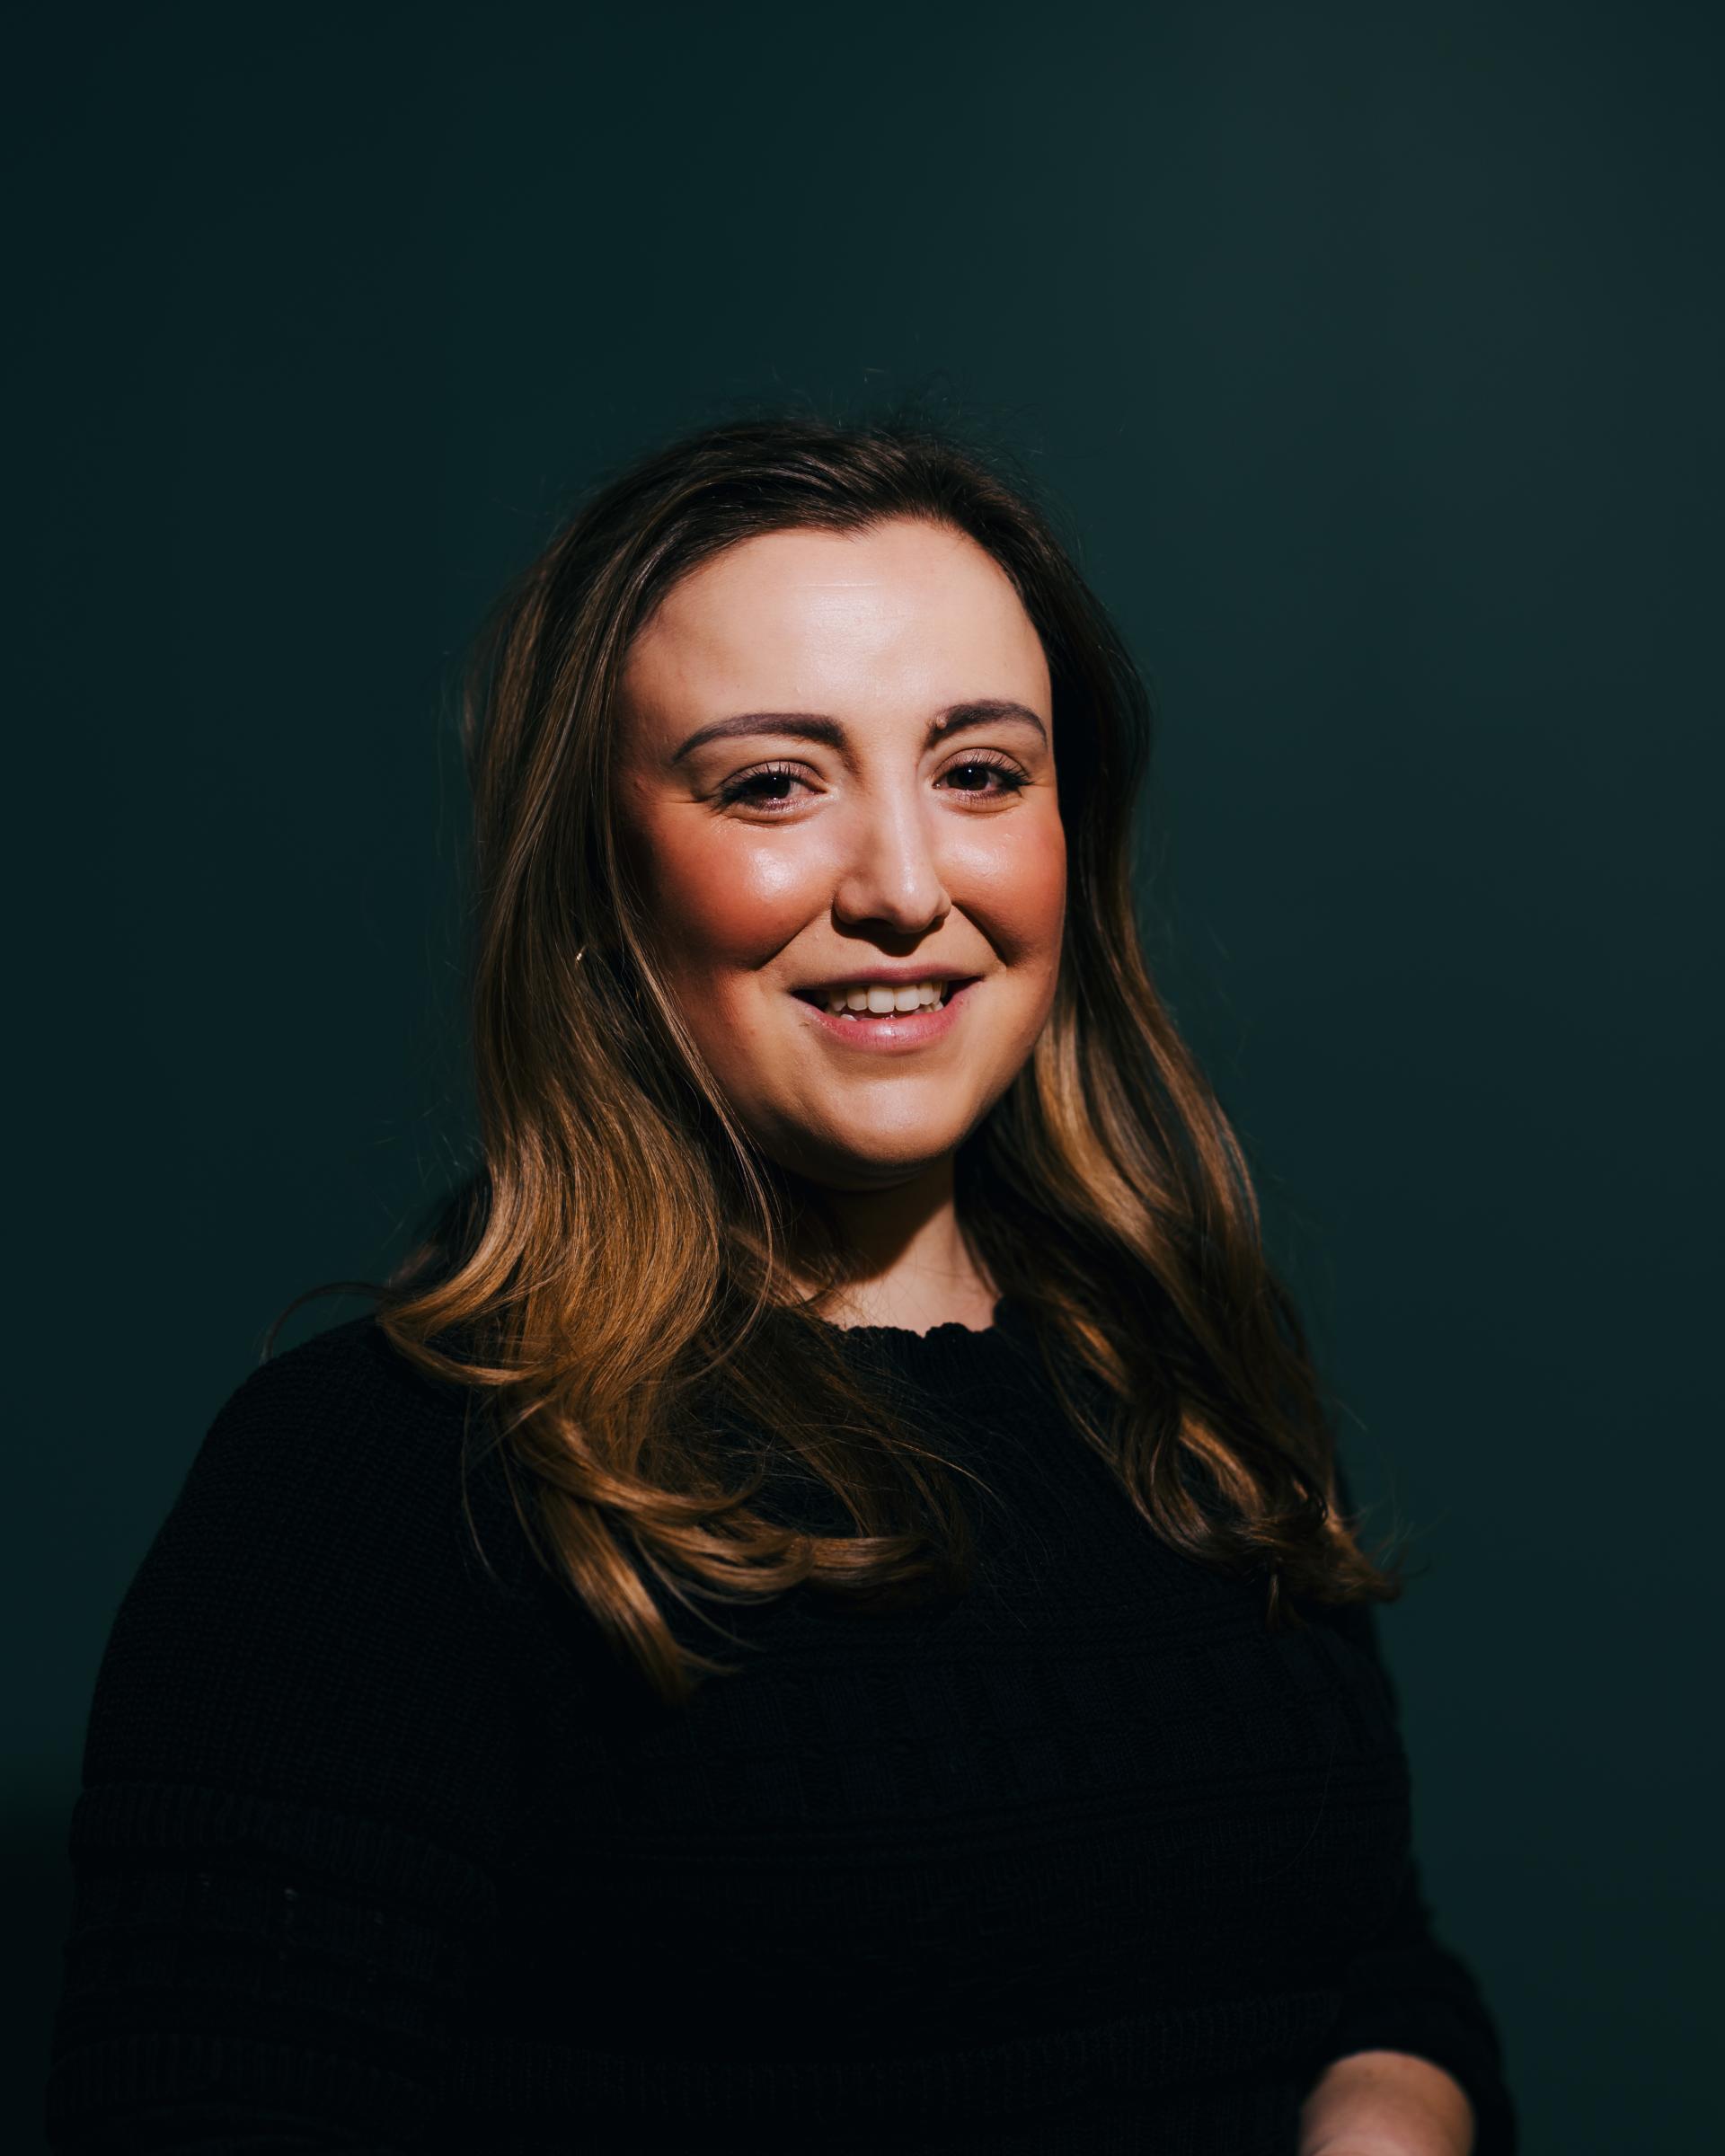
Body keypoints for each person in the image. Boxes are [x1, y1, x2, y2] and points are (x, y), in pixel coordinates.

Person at [44, 411, 1517, 2154]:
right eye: (771, 783)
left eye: (979, 772)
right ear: (599, 873)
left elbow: (1373, 1971)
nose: (905, 886)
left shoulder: (1180, 1397)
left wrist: (1390, 2103)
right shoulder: (374, 1483)